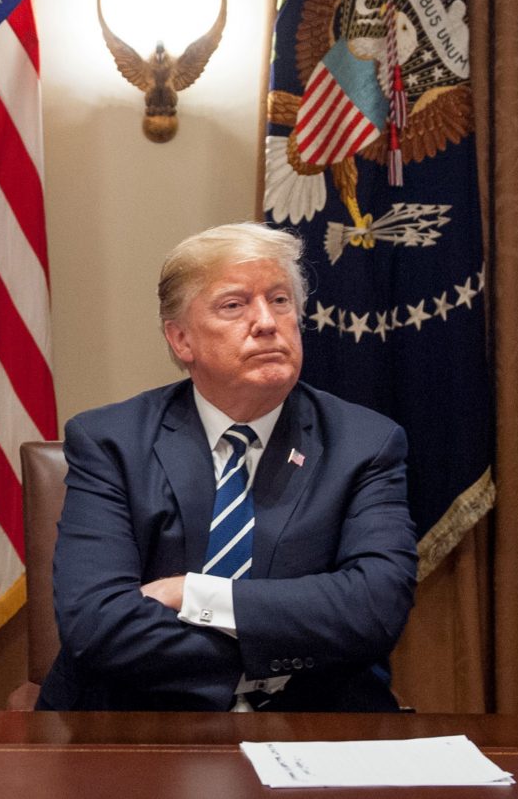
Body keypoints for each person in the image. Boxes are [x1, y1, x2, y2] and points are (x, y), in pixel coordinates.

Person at [36, 222, 417, 712]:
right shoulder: (111, 442)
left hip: (313, 719)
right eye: (234, 306)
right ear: (181, 340)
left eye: (280, 300)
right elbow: (96, 622)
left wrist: (196, 594)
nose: (266, 321)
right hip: (141, 718)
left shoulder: (365, 443)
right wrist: (281, 647)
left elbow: (375, 609)